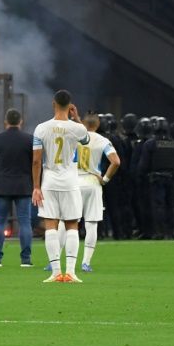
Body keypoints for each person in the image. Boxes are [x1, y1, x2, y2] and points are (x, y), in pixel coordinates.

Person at [32, 90, 90, 283]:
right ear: (70, 105)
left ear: (53, 104)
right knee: (72, 225)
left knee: (51, 226)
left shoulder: (41, 128)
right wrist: (77, 118)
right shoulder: (77, 128)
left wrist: (36, 187)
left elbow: (36, 161)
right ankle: (71, 272)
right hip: (70, 181)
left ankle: (56, 272)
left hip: (49, 181)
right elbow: (86, 140)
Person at [0, 109, 34, 267]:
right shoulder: (30, 139)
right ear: (21, 121)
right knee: (25, 222)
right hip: (24, 187)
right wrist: (35, 186)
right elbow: (36, 165)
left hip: (2, 186)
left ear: (6, 122)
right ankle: (26, 259)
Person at [75, 112, 120, 272]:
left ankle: (55, 261)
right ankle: (85, 263)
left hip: (74, 182)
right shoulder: (103, 140)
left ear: (84, 124)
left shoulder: (74, 137)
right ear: (98, 124)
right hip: (93, 182)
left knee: (66, 222)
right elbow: (116, 161)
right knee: (92, 224)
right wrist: (105, 179)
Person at [138, 119, 174, 239]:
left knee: (158, 206)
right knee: (171, 206)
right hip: (171, 179)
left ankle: (160, 232)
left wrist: (141, 177)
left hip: (156, 180)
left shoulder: (150, 144)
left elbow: (143, 165)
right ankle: (171, 232)